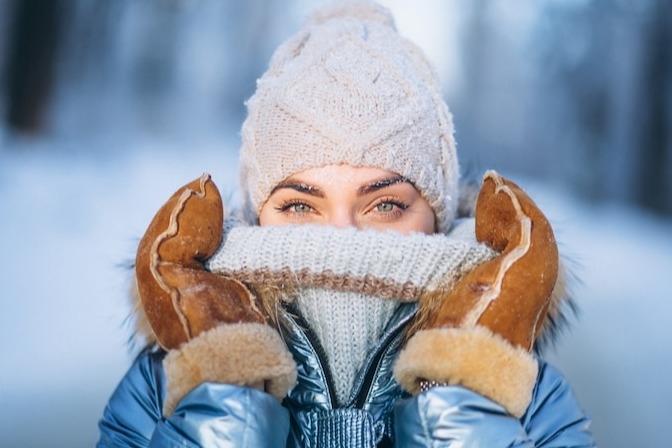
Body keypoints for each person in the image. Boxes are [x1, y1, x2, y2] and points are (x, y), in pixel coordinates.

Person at [97, 2, 596, 447]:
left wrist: (464, 411)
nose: (339, 240)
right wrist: (222, 410)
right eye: (298, 206)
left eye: (385, 205)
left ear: (438, 216)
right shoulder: (168, 387)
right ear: (255, 215)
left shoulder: (523, 397)